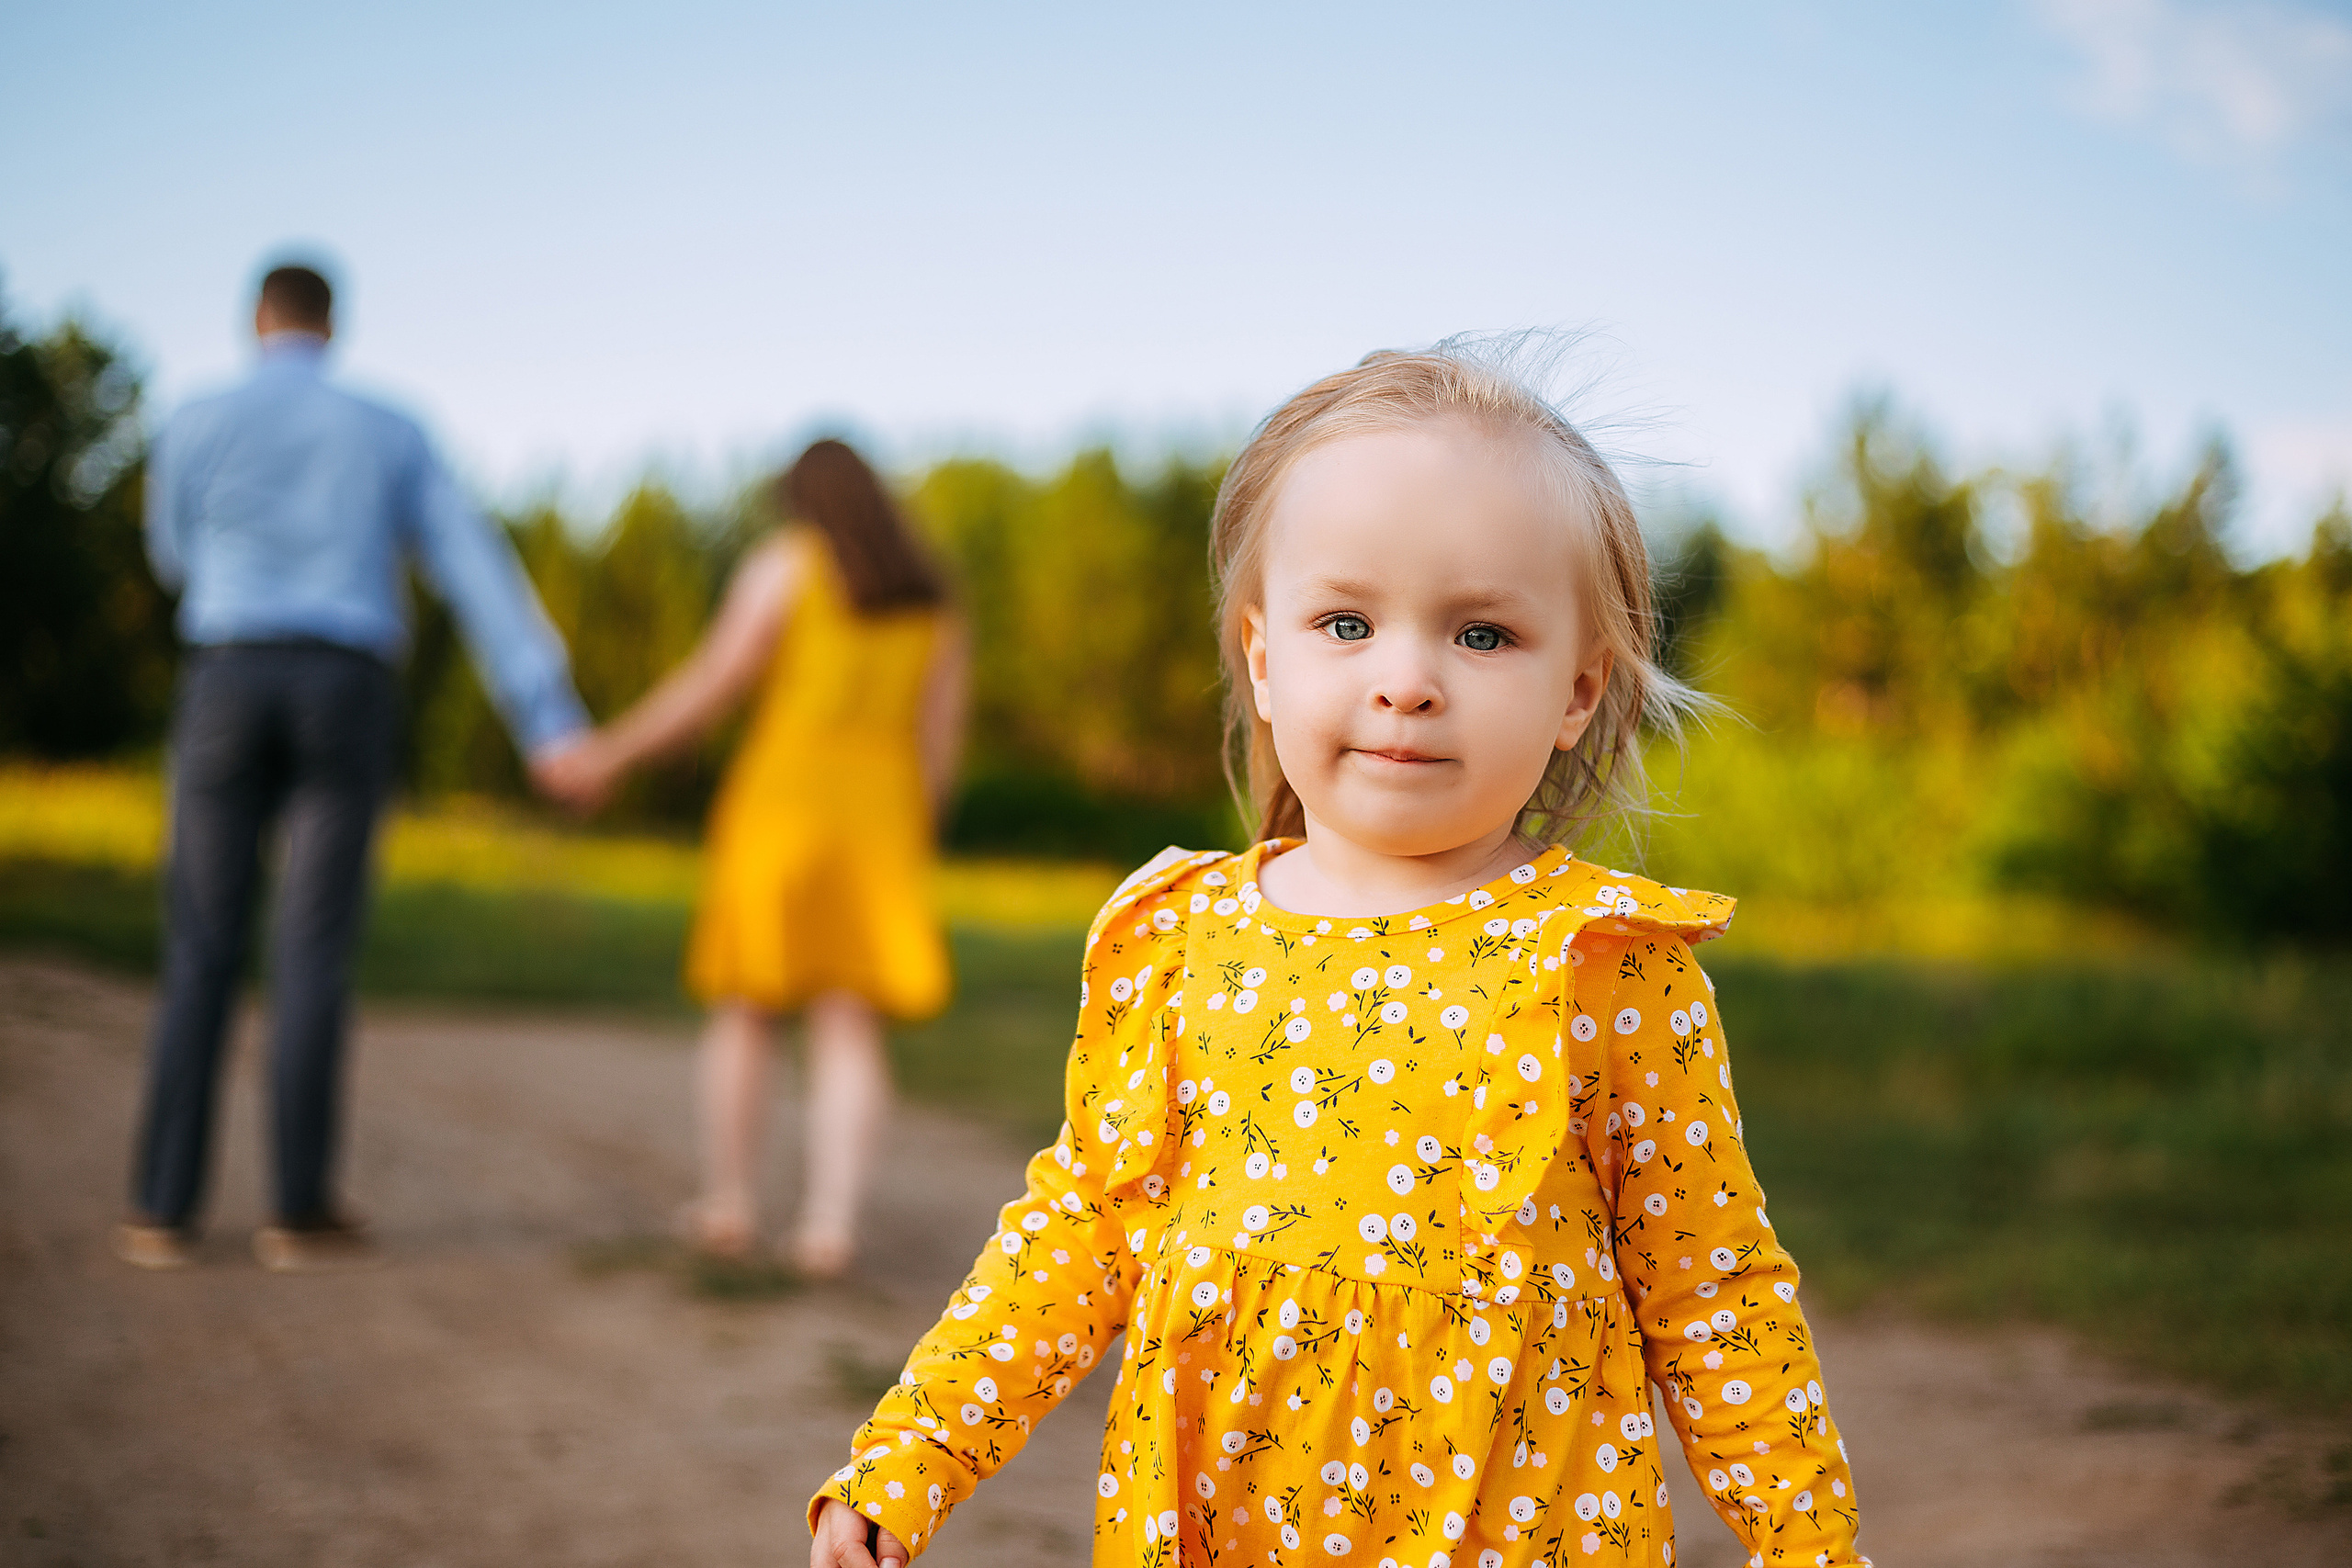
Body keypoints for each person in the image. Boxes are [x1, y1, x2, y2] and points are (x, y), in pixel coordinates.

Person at [808, 347, 1866, 1567]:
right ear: (1264, 656)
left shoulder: (1603, 962)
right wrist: (915, 1451)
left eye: (1481, 632)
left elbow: (1712, 1288)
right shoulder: (1182, 940)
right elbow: (1081, 1229)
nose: (1406, 681)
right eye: (1347, 622)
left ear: (1578, 689)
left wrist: (1810, 1542)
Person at [119, 263, 593, 1274]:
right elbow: (470, 561)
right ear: (333, 324)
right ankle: (294, 1211)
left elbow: (170, 556)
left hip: (228, 671)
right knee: (313, 950)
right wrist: (546, 715)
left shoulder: (195, 414)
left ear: (257, 318)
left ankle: (161, 1209)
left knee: (200, 940)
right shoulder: (390, 424)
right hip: (345, 684)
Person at [538, 439, 967, 1277]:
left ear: (802, 499)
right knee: (849, 1020)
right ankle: (828, 1225)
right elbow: (940, 738)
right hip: (879, 815)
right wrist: (920, 825)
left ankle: (730, 1203)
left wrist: (608, 756)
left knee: (747, 1006)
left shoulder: (788, 565)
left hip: (782, 801)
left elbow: (712, 683)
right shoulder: (932, 597)